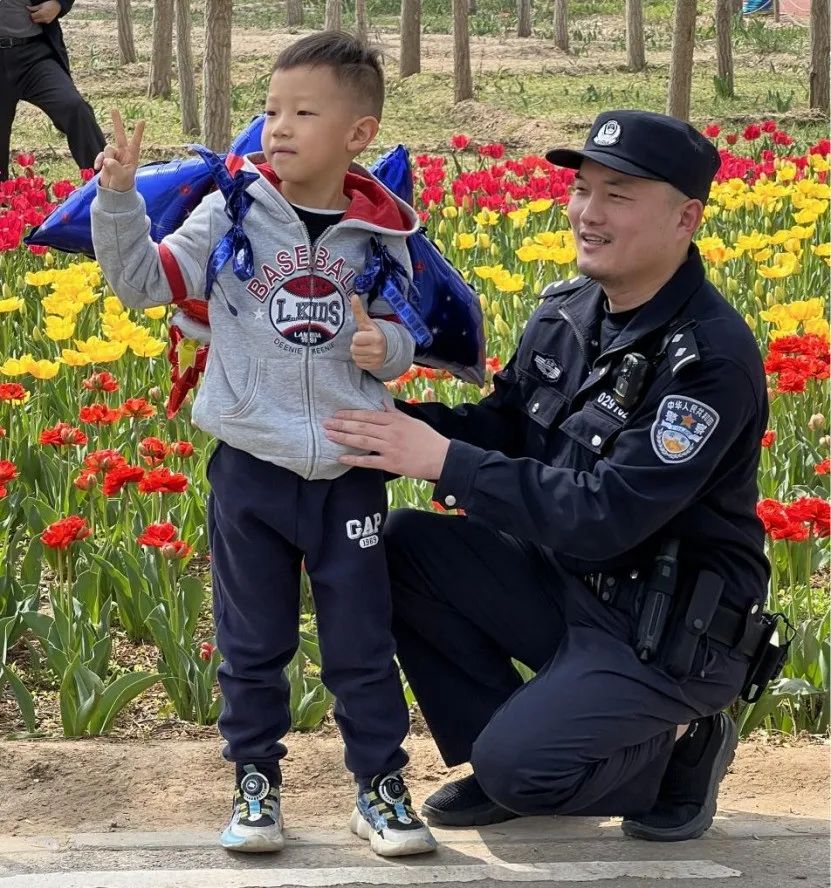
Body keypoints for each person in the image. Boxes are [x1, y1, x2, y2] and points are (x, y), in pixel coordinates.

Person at [323, 110, 771, 842]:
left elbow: (609, 514)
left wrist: (438, 459)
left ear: (685, 217)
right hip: (564, 582)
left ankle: (678, 749)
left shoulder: (706, 360)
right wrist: (380, 421)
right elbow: (505, 426)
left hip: (663, 626)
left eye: (617, 196)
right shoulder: (568, 312)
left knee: (524, 770)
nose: (588, 214)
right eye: (582, 189)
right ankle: (511, 743)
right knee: (402, 547)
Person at [90, 32, 437, 858]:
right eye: (271, 109)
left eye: (303, 113)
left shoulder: (383, 230)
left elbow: (407, 333)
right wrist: (118, 199)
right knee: (251, 642)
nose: (278, 127)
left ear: (357, 133)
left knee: (362, 643)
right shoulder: (232, 211)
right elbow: (145, 283)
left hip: (350, 467)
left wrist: (384, 350)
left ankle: (379, 787)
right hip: (251, 466)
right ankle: (255, 784)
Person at [0, 0, 104, 180]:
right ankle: (6, 195)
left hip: (33, 55)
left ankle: (105, 184)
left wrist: (59, 4)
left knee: (74, 107)